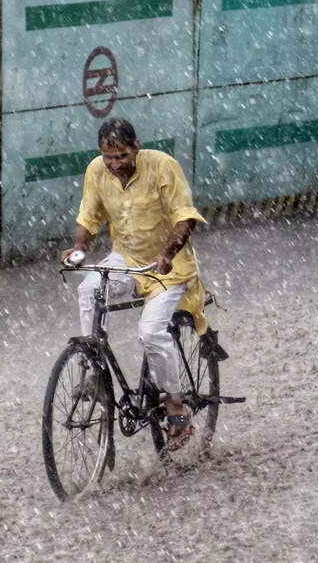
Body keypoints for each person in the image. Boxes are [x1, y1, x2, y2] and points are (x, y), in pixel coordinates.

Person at [60, 118, 209, 447]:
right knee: (88, 290)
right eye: (109, 158)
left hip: (168, 267)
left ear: (136, 147)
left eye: (122, 156)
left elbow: (185, 217)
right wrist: (80, 248)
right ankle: (94, 371)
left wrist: (168, 253)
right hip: (127, 258)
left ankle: (175, 404)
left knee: (151, 332)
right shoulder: (96, 171)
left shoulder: (162, 167)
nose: (115, 165)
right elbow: (89, 216)